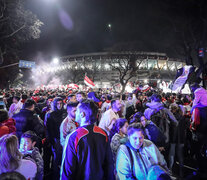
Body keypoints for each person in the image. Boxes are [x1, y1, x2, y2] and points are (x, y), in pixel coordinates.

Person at [60, 99, 115, 180]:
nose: (76, 113)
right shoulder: (103, 133)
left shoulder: (74, 137)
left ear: (82, 114)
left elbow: (67, 169)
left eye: (77, 111)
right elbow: (109, 164)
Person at [45, 97, 67, 180]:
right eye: (57, 103)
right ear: (54, 104)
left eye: (61, 103)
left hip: (65, 138)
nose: (59, 105)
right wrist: (51, 141)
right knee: (56, 159)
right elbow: (49, 129)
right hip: (56, 139)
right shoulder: (50, 114)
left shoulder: (65, 112)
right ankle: (55, 175)